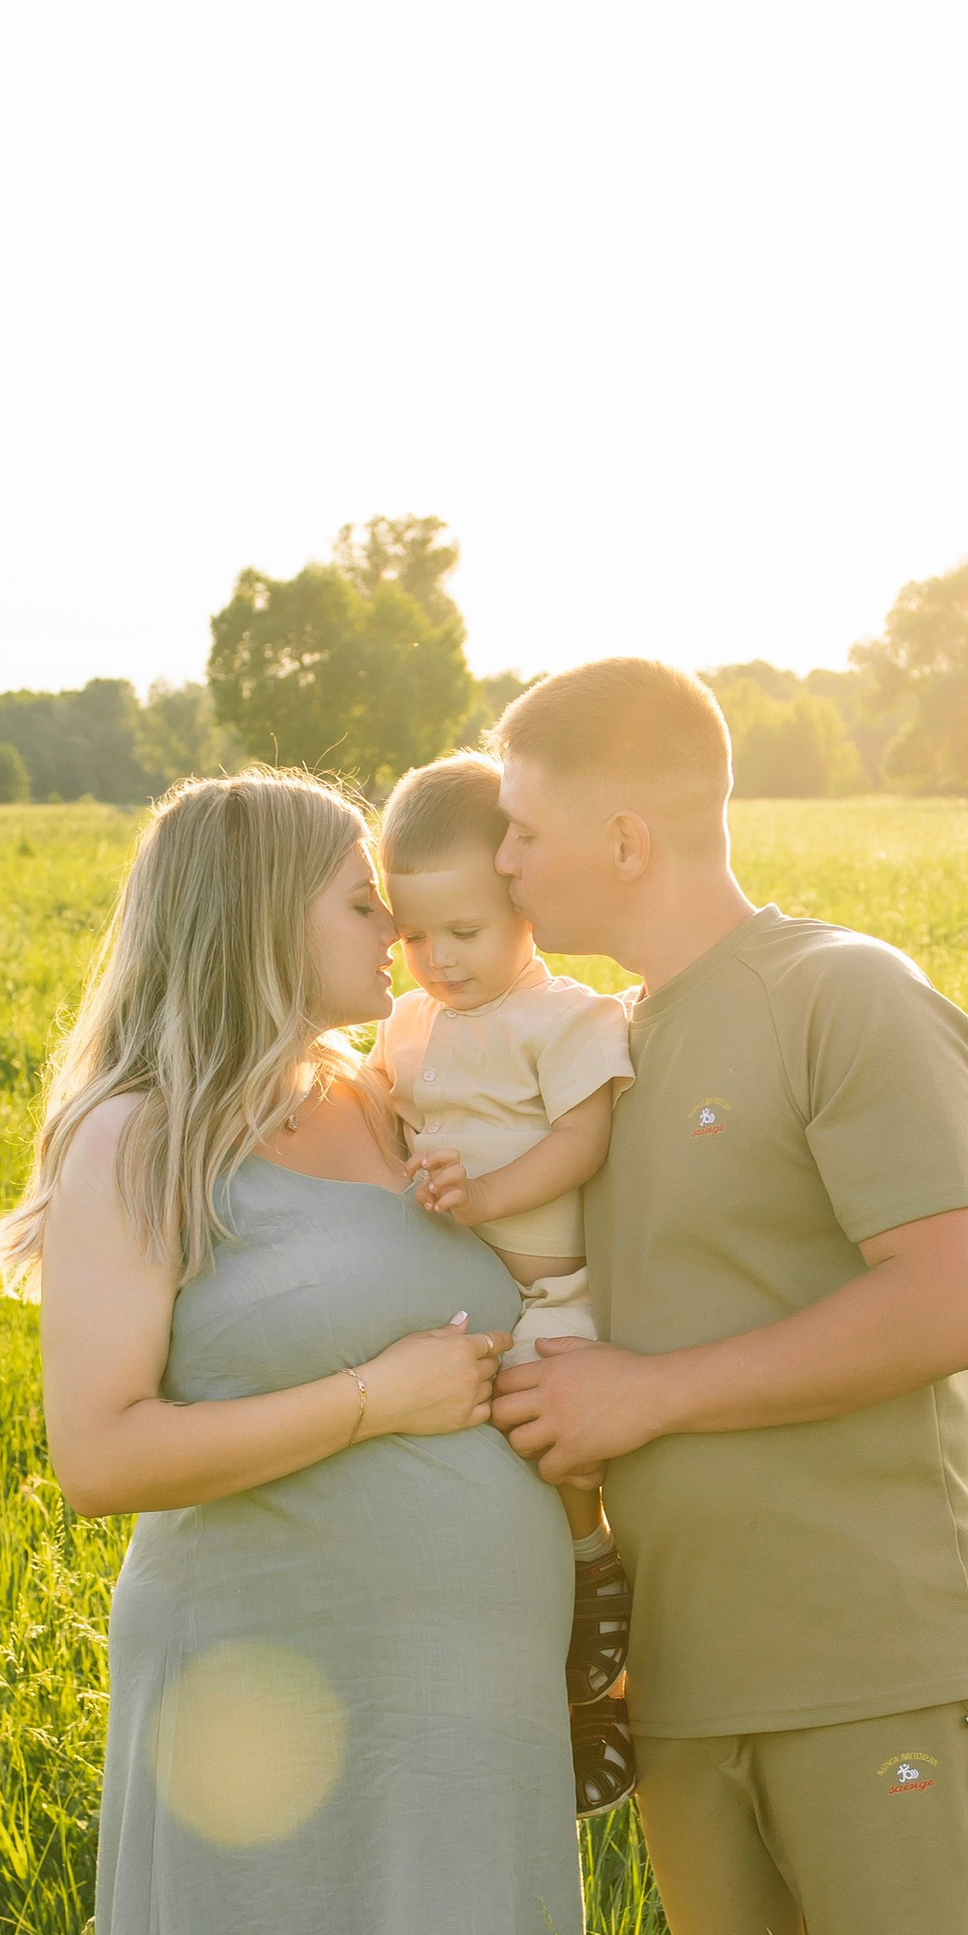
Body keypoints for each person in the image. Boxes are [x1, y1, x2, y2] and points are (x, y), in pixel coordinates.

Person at [0, 771, 582, 1935]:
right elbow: (102, 1450)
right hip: (261, 1677)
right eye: (354, 897)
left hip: (466, 1682)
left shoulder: (394, 1099)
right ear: (253, 918)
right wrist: (379, 1400)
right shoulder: (143, 1132)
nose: (390, 924)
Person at [486, 661, 968, 1935]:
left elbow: (950, 1301)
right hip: (685, 1666)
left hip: (877, 1644)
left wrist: (644, 1398)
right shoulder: (602, 1053)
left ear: (626, 831)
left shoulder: (846, 997)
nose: (503, 862)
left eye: (522, 826)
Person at [370, 749, 639, 1814]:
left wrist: (483, 1196)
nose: (437, 957)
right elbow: (400, 1124)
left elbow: (581, 1141)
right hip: (465, 1290)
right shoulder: (409, 1026)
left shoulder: (564, 1019)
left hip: (557, 1289)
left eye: (465, 931)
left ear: (522, 901)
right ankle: (531, 1682)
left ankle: (592, 1571)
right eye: (413, 935)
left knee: (552, 1422)